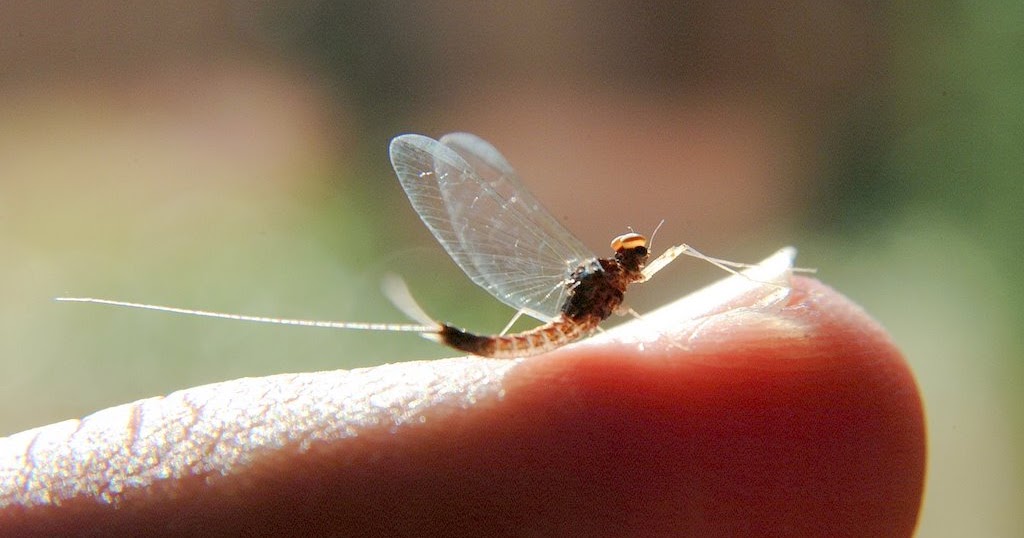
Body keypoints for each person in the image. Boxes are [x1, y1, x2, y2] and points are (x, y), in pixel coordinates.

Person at [0, 275, 925, 537]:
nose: (633, 266)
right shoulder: (600, 295)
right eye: (630, 264)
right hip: (525, 347)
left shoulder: (600, 285)